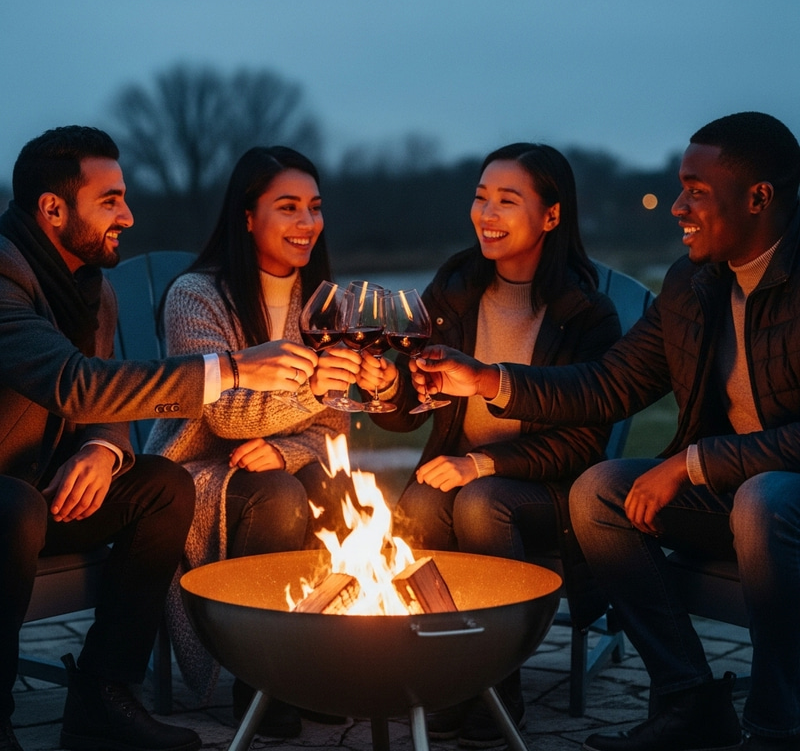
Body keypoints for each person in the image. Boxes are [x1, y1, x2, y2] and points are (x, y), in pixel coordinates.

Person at [415, 112, 800, 751]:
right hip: (732, 490)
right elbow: (606, 386)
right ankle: (690, 700)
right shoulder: (693, 284)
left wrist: (691, 463)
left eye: (696, 190)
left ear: (759, 197)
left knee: (765, 499)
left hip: (774, 497)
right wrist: (487, 380)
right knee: (598, 493)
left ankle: (774, 724)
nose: (677, 205)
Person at [0, 127, 320, 751]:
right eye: (111, 200)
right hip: (8, 503)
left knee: (163, 487)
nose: (129, 214)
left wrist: (103, 449)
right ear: (52, 209)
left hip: (44, 495)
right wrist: (230, 368)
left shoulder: (92, 287)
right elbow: (72, 381)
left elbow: (108, 398)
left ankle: (102, 696)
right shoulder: (4, 275)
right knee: (14, 507)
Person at [360, 143, 621, 747]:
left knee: (481, 504)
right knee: (422, 503)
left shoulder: (586, 314)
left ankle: (499, 692)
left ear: (551, 217)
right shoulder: (453, 289)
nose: (487, 213)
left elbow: (585, 442)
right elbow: (411, 409)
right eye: (480, 197)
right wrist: (388, 388)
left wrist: (483, 462)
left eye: (508, 200)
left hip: (548, 490)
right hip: (457, 469)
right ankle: (447, 680)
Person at [144, 146, 358, 737]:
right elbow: (224, 417)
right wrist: (316, 390)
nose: (307, 223)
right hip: (196, 472)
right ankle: (259, 679)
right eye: (287, 207)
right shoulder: (197, 297)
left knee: (332, 486)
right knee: (283, 498)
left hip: (277, 468)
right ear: (247, 216)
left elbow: (334, 430)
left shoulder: (326, 304)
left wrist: (288, 450)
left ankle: (314, 663)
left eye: (314, 207)